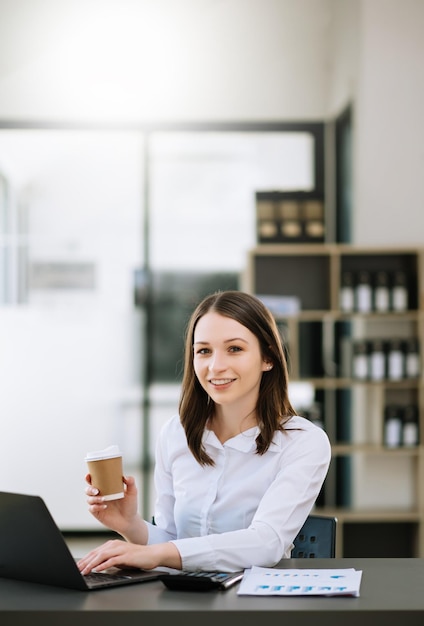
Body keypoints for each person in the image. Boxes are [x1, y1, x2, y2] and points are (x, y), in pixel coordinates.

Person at [78, 290, 331, 575]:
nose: (216, 366)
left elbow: (266, 542)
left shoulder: (303, 442)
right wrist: (130, 524)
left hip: (257, 605)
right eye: (204, 351)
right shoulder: (176, 433)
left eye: (234, 349)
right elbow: (174, 545)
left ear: (268, 358)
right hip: (184, 602)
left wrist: (156, 553)